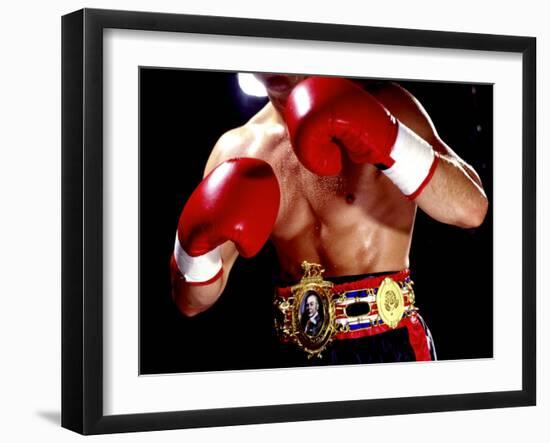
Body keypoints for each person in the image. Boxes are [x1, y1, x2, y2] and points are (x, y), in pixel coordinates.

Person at [169, 73, 488, 365]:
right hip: (295, 354)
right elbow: (191, 302)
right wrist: (194, 248)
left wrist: (385, 136)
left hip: (390, 346)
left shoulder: (383, 104)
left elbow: (471, 209)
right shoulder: (238, 149)